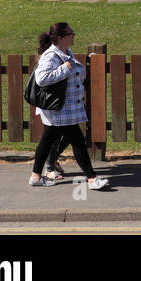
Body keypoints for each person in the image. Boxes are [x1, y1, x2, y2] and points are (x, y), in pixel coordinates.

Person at [29, 23, 110, 189]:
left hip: (66, 107)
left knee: (48, 140)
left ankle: (36, 176)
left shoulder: (65, 52)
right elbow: (42, 79)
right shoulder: (51, 55)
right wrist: (64, 69)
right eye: (70, 33)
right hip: (59, 109)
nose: (74, 36)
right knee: (77, 141)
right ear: (60, 37)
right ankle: (91, 178)